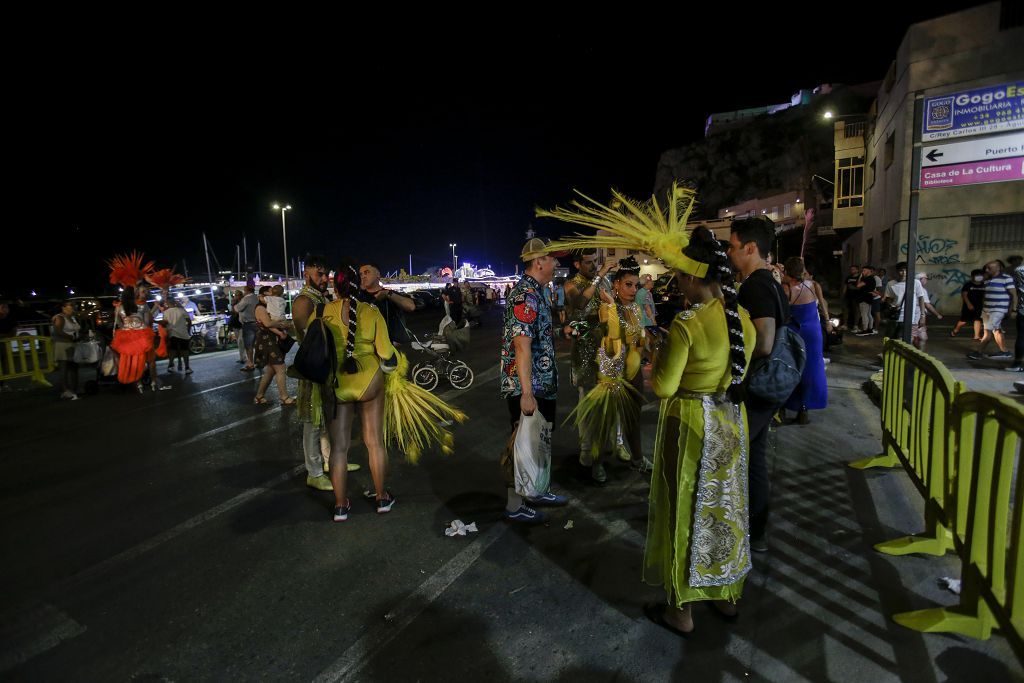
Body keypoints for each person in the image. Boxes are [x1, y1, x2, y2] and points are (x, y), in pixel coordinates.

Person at [639, 227, 756, 635]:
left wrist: (657, 350)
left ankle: (681, 611)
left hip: (691, 424)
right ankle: (727, 595)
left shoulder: (687, 323)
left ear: (691, 278)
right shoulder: (742, 319)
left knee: (683, 510)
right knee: (726, 508)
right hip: (729, 422)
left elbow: (663, 387)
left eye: (679, 276)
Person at [316, 264, 465, 522]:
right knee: (374, 443)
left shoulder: (322, 313)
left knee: (338, 448)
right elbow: (386, 353)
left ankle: (340, 506)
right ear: (354, 284)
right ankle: (381, 497)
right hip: (370, 382)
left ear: (335, 286)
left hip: (336, 384)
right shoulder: (370, 311)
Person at [499, 239, 570, 522]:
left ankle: (538, 490)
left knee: (540, 440)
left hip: (543, 384)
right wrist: (527, 393)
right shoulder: (525, 295)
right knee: (522, 443)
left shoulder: (539, 292)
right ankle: (515, 505)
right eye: (552, 259)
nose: (556, 264)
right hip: (528, 386)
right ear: (539, 262)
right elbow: (521, 346)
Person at [729, 216, 788, 553]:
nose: (730, 253)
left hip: (758, 385)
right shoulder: (769, 282)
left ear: (750, 248)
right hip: (768, 386)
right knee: (755, 460)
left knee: (742, 458)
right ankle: (756, 531)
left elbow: (763, 342)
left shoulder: (756, 285)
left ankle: (748, 532)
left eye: (734, 247)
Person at [568, 256, 649, 473]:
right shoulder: (605, 306)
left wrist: (644, 343)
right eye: (628, 285)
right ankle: (597, 463)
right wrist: (613, 308)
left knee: (633, 418)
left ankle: (637, 458)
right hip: (610, 371)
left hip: (632, 370)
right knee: (603, 420)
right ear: (616, 285)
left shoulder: (635, 308)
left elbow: (638, 338)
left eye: (636, 285)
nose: (633, 290)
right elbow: (612, 333)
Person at [563, 248, 615, 482]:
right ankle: (588, 451)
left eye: (596, 261)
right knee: (587, 405)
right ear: (577, 265)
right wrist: (601, 274)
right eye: (588, 262)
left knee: (607, 403)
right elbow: (581, 303)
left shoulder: (603, 282)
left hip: (606, 349)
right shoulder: (570, 284)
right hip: (583, 353)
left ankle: (606, 449)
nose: (593, 265)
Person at [291, 255, 339, 491]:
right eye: (319, 274)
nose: (324, 278)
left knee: (326, 419)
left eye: (326, 274)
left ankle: (331, 462)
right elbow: (305, 335)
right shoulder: (304, 300)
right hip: (313, 367)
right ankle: (315, 472)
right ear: (306, 274)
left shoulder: (321, 297)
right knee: (312, 421)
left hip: (327, 367)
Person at [781, 257, 828, 424]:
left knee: (789, 368)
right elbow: (822, 305)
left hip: (794, 332)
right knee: (812, 369)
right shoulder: (814, 285)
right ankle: (804, 409)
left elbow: (783, 313)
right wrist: (828, 322)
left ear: (786, 271)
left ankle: (783, 408)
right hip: (813, 332)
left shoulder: (786, 288)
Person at [967, 259, 1017, 361]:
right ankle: (1004, 352)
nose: (986, 269)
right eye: (986, 267)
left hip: (998, 309)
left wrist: (1013, 309)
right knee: (996, 330)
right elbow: (985, 295)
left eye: (989, 267)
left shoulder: (1006, 279)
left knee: (987, 332)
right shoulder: (987, 280)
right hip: (987, 310)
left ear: (998, 268)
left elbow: (1014, 295)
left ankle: (978, 352)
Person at [253, 286, 294, 405]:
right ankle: (284, 397)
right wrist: (281, 325)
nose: (273, 294)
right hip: (267, 339)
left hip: (273, 338)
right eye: (270, 291)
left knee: (271, 370)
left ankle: (259, 396)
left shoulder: (270, 307)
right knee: (280, 367)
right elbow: (267, 323)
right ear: (264, 294)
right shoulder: (260, 308)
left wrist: (283, 325)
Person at [358, 263, 415, 345]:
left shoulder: (390, 294)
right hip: (366, 346)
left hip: (388, 345)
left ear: (377, 274)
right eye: (361, 274)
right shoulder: (358, 298)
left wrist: (388, 294)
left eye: (367, 272)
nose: (363, 276)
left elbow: (411, 306)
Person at [882, 262, 929, 347]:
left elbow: (921, 299)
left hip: (910, 317)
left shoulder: (915, 283)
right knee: (890, 337)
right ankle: (888, 355)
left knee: (905, 340)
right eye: (901, 270)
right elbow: (889, 298)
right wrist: (890, 306)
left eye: (906, 270)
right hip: (894, 316)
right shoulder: (891, 283)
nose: (904, 273)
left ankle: (903, 357)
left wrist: (922, 316)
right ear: (897, 271)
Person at [51, 300, 81, 400]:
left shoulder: (73, 318)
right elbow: (58, 331)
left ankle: (73, 389)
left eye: (74, 305)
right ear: (63, 308)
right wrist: (70, 337)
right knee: (64, 368)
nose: (73, 307)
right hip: (62, 345)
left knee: (74, 368)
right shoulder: (60, 317)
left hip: (73, 345)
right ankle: (65, 391)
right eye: (71, 305)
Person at [950, 269, 986, 341]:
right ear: (973, 276)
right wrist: (969, 304)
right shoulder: (968, 285)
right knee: (964, 320)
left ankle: (976, 336)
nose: (979, 277)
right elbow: (964, 295)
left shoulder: (983, 285)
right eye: (977, 275)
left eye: (981, 275)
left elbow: (985, 295)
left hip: (979, 305)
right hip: (968, 305)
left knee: (977, 319)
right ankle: (955, 330)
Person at [161, 297, 193, 374]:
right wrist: (188, 330)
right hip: (183, 333)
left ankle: (171, 366)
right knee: (185, 350)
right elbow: (189, 321)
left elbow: (164, 323)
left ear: (168, 304)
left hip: (172, 334)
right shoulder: (182, 310)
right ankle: (187, 368)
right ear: (175, 302)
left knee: (173, 350)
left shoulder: (166, 312)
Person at [913, 272, 943, 352]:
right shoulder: (922, 290)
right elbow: (927, 305)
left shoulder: (911, 288)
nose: (926, 280)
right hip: (918, 318)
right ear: (920, 279)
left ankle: (918, 353)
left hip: (915, 318)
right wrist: (937, 314)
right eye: (925, 278)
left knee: (918, 337)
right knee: (921, 338)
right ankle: (918, 354)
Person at [234, 285, 259, 372]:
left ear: (246, 290)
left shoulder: (246, 298)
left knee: (249, 346)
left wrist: (235, 304)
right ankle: (259, 361)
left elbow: (237, 309)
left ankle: (250, 364)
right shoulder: (257, 297)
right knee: (257, 344)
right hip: (258, 323)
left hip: (248, 324)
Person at [1006, 256, 1024, 373]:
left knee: (1022, 336)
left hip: (1023, 309)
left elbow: (1016, 289)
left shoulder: (1019, 270)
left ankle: (1017, 364)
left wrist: (1013, 308)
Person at [635, 274, 658, 364]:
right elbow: (647, 308)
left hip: (640, 320)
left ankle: (641, 359)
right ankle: (647, 359)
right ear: (646, 283)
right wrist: (654, 321)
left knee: (642, 340)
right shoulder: (647, 293)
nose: (652, 282)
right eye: (651, 281)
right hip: (646, 321)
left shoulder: (640, 292)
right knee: (648, 341)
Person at [841, 265, 861, 330]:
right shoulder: (848, 277)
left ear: (857, 270)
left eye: (853, 269)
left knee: (856, 311)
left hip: (856, 297)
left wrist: (854, 288)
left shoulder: (860, 277)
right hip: (848, 296)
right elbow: (845, 286)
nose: (852, 270)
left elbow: (861, 287)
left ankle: (856, 325)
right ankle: (845, 325)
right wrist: (843, 294)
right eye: (851, 269)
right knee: (845, 310)